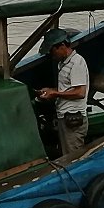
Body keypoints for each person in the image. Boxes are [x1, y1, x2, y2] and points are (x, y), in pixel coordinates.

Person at [37, 28, 90, 161]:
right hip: (64, 116)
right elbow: (66, 88)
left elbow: (80, 92)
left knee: (73, 157)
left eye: (52, 51)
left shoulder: (76, 63)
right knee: (66, 154)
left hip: (73, 118)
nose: (52, 55)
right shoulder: (63, 63)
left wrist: (55, 93)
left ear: (61, 46)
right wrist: (50, 90)